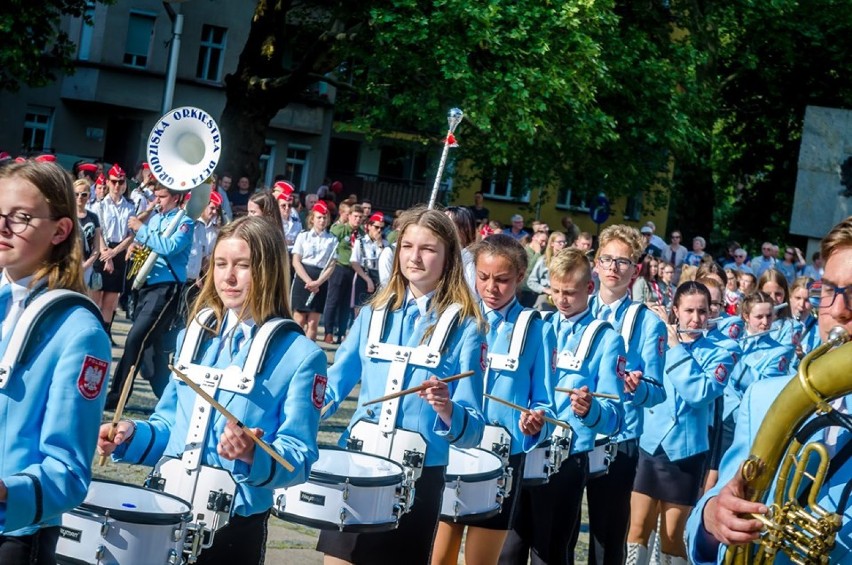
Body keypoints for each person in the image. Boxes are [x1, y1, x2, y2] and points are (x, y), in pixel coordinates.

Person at [98, 216, 325, 565]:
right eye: (220, 264)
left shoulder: (301, 354)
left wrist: (253, 453)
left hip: (234, 528)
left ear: (268, 269)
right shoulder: (195, 335)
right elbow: (170, 428)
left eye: (243, 265)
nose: (228, 277)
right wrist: (130, 435)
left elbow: (300, 457)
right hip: (166, 512)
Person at [317, 206, 486, 565]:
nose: (414, 256)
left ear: (448, 258)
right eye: (407, 246)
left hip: (419, 479)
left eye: (428, 249)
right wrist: (298, 408)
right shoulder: (372, 312)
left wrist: (446, 407)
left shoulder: (466, 326)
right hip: (357, 468)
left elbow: (472, 430)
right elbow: (333, 388)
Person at [686, 215, 852, 564]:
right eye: (829, 291)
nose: (838, 311)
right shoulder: (765, 396)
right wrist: (713, 519)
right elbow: (704, 524)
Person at [0, 160, 111, 562]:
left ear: (60, 230)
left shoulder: (78, 330)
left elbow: (68, 470)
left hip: (14, 535)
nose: (3, 227)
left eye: (22, 218)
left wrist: (9, 492)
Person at [433, 234, 556, 565]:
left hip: (502, 457)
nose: (491, 287)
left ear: (519, 277)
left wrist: (535, 422)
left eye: (502, 280)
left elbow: (546, 403)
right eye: (483, 277)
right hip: (452, 448)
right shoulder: (454, 321)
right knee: (437, 557)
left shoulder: (537, 328)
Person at [501, 247, 626, 565]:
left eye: (569, 292)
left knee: (552, 552)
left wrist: (590, 409)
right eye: (555, 291)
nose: (561, 300)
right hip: (524, 449)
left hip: (567, 459)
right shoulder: (537, 325)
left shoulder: (607, 339)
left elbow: (614, 418)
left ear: (590, 288)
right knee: (509, 550)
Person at [627, 282, 733, 565]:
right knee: (636, 531)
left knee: (673, 537)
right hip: (650, 445)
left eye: (702, 311)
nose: (696, 318)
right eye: (689, 311)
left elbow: (699, 394)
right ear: (675, 311)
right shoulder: (656, 339)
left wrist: (675, 347)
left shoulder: (723, 349)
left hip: (685, 452)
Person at [586, 224, 667, 565]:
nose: (613, 268)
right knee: (555, 527)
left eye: (623, 262)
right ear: (596, 263)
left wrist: (637, 388)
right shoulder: (578, 307)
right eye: (607, 259)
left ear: (635, 270)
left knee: (607, 535)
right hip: (573, 431)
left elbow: (656, 392)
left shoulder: (648, 322)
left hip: (618, 437)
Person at [104, 183, 195, 409]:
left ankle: (116, 398)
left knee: (135, 338)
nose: (157, 201)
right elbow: (146, 244)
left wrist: (141, 229)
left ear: (175, 198)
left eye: (162, 197)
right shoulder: (156, 219)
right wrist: (135, 248)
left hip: (167, 289)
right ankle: (172, 401)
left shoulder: (185, 222)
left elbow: (169, 246)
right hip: (147, 287)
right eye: (156, 196)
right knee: (153, 354)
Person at [90, 165, 135, 334]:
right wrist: (105, 253)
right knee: (95, 296)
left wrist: (114, 253)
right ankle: (92, 330)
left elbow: (131, 235)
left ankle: (104, 333)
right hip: (102, 250)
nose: (117, 186)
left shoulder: (129, 206)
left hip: (118, 251)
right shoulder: (99, 205)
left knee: (110, 300)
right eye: (114, 182)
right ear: (108, 182)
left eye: (120, 182)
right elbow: (98, 232)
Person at [291, 202, 337, 340]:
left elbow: (331, 265)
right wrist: (309, 281)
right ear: (312, 219)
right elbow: (296, 261)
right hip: (303, 278)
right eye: (319, 217)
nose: (322, 221)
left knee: (313, 323)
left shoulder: (332, 240)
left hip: (320, 280)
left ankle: (308, 354)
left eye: (324, 218)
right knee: (299, 321)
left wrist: (318, 283)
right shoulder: (303, 236)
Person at [323, 204, 364, 344]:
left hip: (354, 271)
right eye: (355, 216)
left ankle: (341, 333)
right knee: (333, 301)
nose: (357, 220)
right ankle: (328, 332)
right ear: (349, 216)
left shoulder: (362, 234)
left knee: (347, 304)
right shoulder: (340, 230)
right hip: (340, 267)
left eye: (360, 217)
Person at [350, 211, 387, 316]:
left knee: (375, 309)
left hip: (378, 276)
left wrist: (380, 244)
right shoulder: (360, 241)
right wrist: (367, 279)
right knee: (359, 308)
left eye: (382, 228)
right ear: (369, 226)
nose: (379, 230)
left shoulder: (385, 244)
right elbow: (354, 262)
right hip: (364, 275)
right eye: (376, 227)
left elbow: (385, 260)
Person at [526, 231, 568, 311]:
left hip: (561, 297)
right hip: (545, 297)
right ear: (552, 243)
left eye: (564, 242)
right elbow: (531, 282)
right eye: (559, 242)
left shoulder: (566, 261)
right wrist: (545, 290)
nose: (562, 245)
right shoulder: (543, 260)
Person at [73, 178, 102, 293]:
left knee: (81, 298)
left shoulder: (93, 217)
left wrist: (86, 265)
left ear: (89, 196)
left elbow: (96, 247)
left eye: (84, 194)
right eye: (76, 194)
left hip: (86, 266)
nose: (80, 197)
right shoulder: (67, 214)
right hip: (68, 264)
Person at [790, 276, 820, 365]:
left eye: (807, 300)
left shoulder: (820, 329)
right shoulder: (779, 324)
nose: (801, 305)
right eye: (798, 298)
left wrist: (802, 357)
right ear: (790, 297)